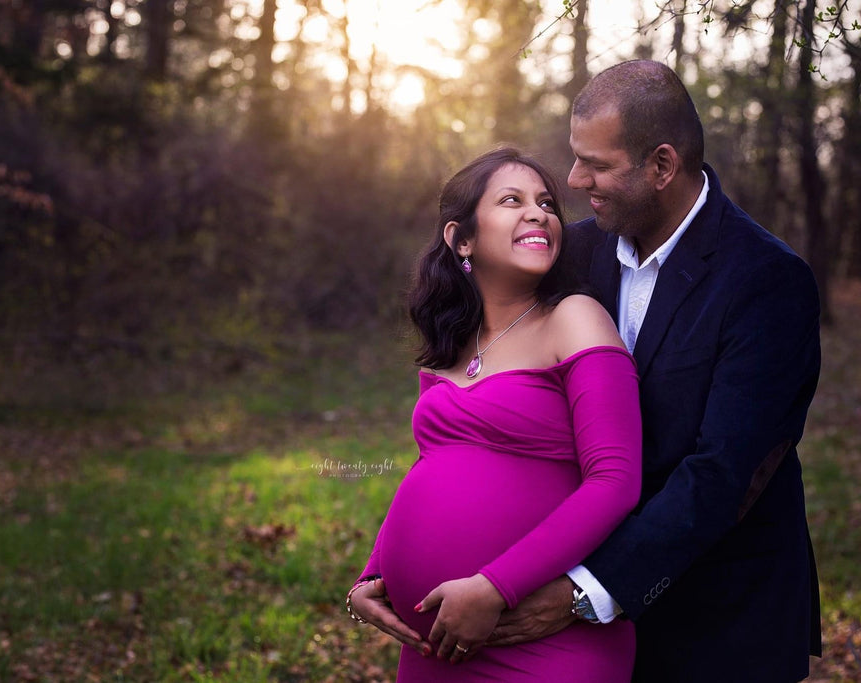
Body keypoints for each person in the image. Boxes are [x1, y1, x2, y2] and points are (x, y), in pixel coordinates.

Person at [488, 60, 823, 682]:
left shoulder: (768, 281)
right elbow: (508, 401)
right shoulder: (577, 253)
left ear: (662, 166)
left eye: (598, 164)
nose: (574, 177)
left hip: (719, 626)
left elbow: (726, 472)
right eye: (575, 156)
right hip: (579, 633)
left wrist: (584, 592)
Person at [346, 147, 643, 682]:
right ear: (462, 240)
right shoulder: (456, 343)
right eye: (512, 200)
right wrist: (371, 574)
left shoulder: (574, 318)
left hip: (540, 641)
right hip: (432, 640)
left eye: (547, 203)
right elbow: (429, 467)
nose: (540, 213)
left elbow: (615, 481)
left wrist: (493, 587)